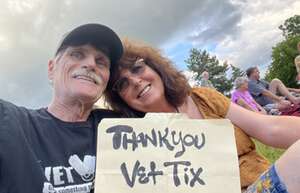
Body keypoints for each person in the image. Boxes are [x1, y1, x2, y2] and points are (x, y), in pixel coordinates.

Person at [104, 39, 300, 193]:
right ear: (120, 99)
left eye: (137, 68)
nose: (135, 81)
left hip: (264, 182)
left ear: (155, 67)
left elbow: (270, 128)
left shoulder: (202, 97)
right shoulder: (132, 141)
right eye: (122, 84)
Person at [0, 23, 123, 193]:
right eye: (77, 54)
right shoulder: (10, 123)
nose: (91, 64)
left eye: (101, 62)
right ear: (52, 69)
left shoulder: (122, 127)